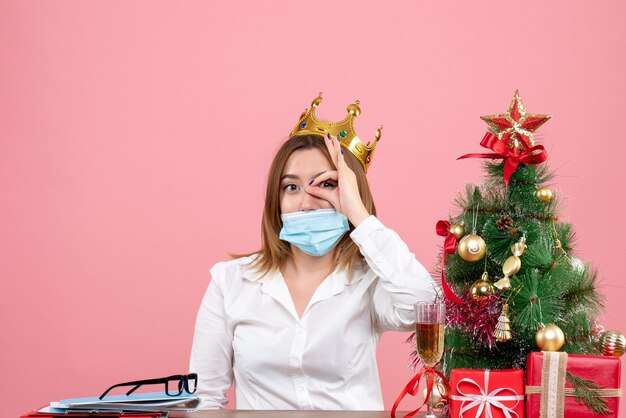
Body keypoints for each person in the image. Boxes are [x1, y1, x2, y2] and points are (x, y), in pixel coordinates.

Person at [189, 94, 437, 410]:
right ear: (275, 200)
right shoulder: (229, 282)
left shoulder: (370, 282)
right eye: (291, 187)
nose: (307, 202)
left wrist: (358, 214)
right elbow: (204, 398)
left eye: (326, 185)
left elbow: (426, 307)